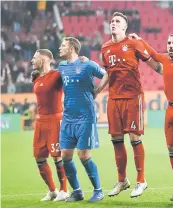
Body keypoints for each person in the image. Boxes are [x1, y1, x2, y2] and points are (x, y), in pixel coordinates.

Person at [94, 12, 162, 198]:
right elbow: (109, 71)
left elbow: (155, 65)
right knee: (116, 140)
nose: (113, 24)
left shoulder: (134, 44)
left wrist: (171, 73)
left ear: (125, 27)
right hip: (114, 98)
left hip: (133, 97)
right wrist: (99, 89)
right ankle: (122, 180)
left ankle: (141, 180)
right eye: (112, 21)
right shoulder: (105, 47)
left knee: (134, 139)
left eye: (117, 22)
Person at [129, 33, 173, 201]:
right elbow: (152, 53)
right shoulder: (165, 60)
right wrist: (140, 40)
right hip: (170, 110)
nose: (170, 45)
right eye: (168, 43)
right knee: (172, 148)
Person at [58, 37, 105, 202]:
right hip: (68, 117)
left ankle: (98, 190)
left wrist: (98, 90)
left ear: (72, 48)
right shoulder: (61, 67)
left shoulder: (88, 64)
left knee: (83, 154)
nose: (60, 48)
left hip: (85, 116)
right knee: (65, 155)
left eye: (63, 45)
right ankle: (77, 191)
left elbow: (106, 74)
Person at [30, 49, 68, 201]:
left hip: (55, 120)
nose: (32, 60)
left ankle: (64, 190)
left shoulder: (57, 75)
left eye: (35, 57)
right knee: (39, 157)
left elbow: (72, 77)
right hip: (40, 122)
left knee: (57, 157)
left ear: (44, 59)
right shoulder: (36, 77)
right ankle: (52, 190)